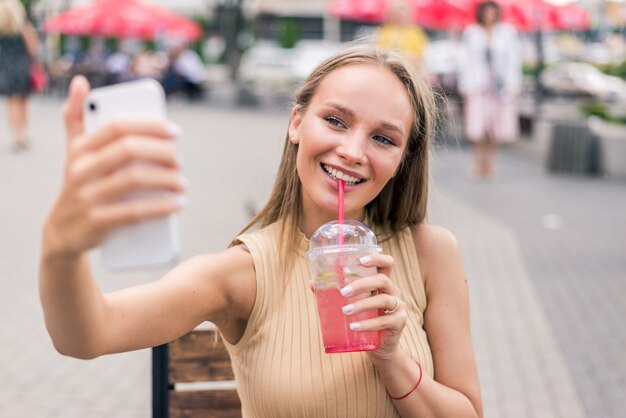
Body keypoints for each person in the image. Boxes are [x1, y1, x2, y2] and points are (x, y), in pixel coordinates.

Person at [39, 44, 483, 417]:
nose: (352, 151)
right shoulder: (244, 274)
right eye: (335, 121)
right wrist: (61, 248)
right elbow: (86, 335)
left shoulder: (431, 254)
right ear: (296, 123)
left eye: (383, 139)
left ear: (403, 159)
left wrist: (392, 362)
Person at [457, 1, 522, 179]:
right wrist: (464, 84)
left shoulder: (507, 33)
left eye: (492, 12)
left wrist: (513, 85)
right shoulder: (472, 32)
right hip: (477, 86)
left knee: (496, 126)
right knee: (477, 126)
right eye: (486, 12)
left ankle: (490, 162)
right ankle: (478, 162)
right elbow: (465, 61)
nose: (489, 15)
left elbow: (513, 61)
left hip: (499, 88)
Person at [0, 0, 39, 152]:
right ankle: (23, 134)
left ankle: (16, 136)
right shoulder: (24, 28)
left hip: (5, 70)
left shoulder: (1, 29)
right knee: (23, 103)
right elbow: (33, 47)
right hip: (23, 68)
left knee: (12, 104)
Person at [374, 0, 429, 70]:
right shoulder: (385, 31)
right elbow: (380, 51)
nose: (401, 19)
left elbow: (420, 55)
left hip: (410, 67)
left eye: (405, 16)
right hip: (389, 66)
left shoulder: (415, 32)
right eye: (398, 16)